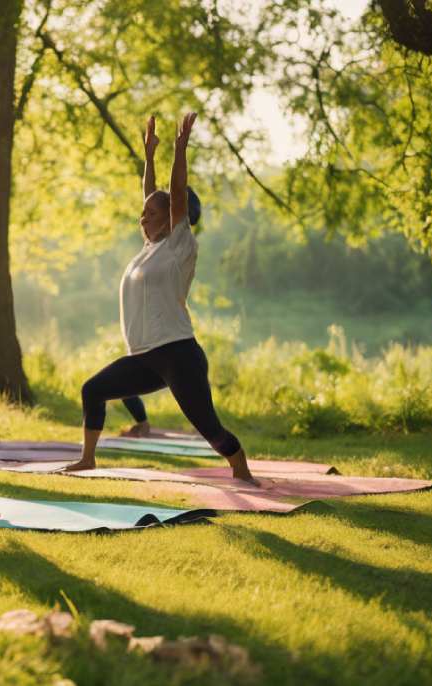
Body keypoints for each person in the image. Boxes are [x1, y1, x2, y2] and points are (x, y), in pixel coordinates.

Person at [73, 113, 256, 484]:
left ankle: (240, 467)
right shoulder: (149, 247)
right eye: (143, 214)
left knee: (210, 428)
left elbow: (172, 196)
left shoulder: (179, 245)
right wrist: (149, 156)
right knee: (93, 390)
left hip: (177, 354)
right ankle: (87, 460)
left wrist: (179, 149)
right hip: (142, 357)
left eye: (151, 214)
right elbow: (151, 196)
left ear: (174, 217)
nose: (143, 218)